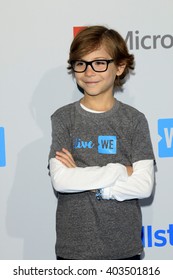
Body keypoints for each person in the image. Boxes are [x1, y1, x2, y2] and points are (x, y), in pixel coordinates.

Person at [48, 25, 155, 260]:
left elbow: (144, 186)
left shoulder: (134, 120)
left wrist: (86, 178)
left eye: (99, 62)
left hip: (124, 251)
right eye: (81, 63)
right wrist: (119, 170)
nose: (89, 72)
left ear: (120, 67)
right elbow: (62, 180)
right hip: (73, 251)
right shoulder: (64, 118)